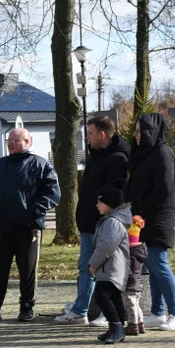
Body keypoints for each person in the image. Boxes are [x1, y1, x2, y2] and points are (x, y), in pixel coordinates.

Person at [0, 128, 60, 322]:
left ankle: (27, 307)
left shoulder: (40, 165)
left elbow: (52, 194)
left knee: (27, 271)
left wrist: (31, 213)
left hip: (27, 228)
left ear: (27, 142)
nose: (11, 143)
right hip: (0, 228)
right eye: (9, 140)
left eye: (16, 140)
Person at [56, 115, 130, 325]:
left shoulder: (117, 158)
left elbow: (114, 194)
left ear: (102, 134)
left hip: (104, 225)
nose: (86, 138)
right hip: (90, 222)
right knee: (86, 266)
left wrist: (102, 216)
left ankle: (107, 313)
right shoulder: (96, 155)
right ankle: (81, 309)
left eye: (89, 133)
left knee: (104, 269)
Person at [127, 113, 175, 331]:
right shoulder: (147, 155)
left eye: (138, 131)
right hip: (144, 218)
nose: (135, 135)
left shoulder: (163, 153)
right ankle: (158, 312)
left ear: (150, 132)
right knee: (151, 265)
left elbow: (164, 188)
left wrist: (142, 209)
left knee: (159, 265)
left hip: (158, 218)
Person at [88, 187, 132, 345]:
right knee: (113, 296)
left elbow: (106, 246)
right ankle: (119, 326)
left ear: (110, 204)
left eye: (101, 202)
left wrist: (93, 264)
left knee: (102, 295)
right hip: (111, 268)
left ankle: (116, 326)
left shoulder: (113, 222)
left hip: (111, 268)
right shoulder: (111, 220)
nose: (97, 205)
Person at [125, 215, 147, 336]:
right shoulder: (139, 253)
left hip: (130, 284)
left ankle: (133, 325)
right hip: (137, 284)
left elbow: (128, 270)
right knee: (136, 305)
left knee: (131, 305)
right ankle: (140, 323)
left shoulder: (131, 256)